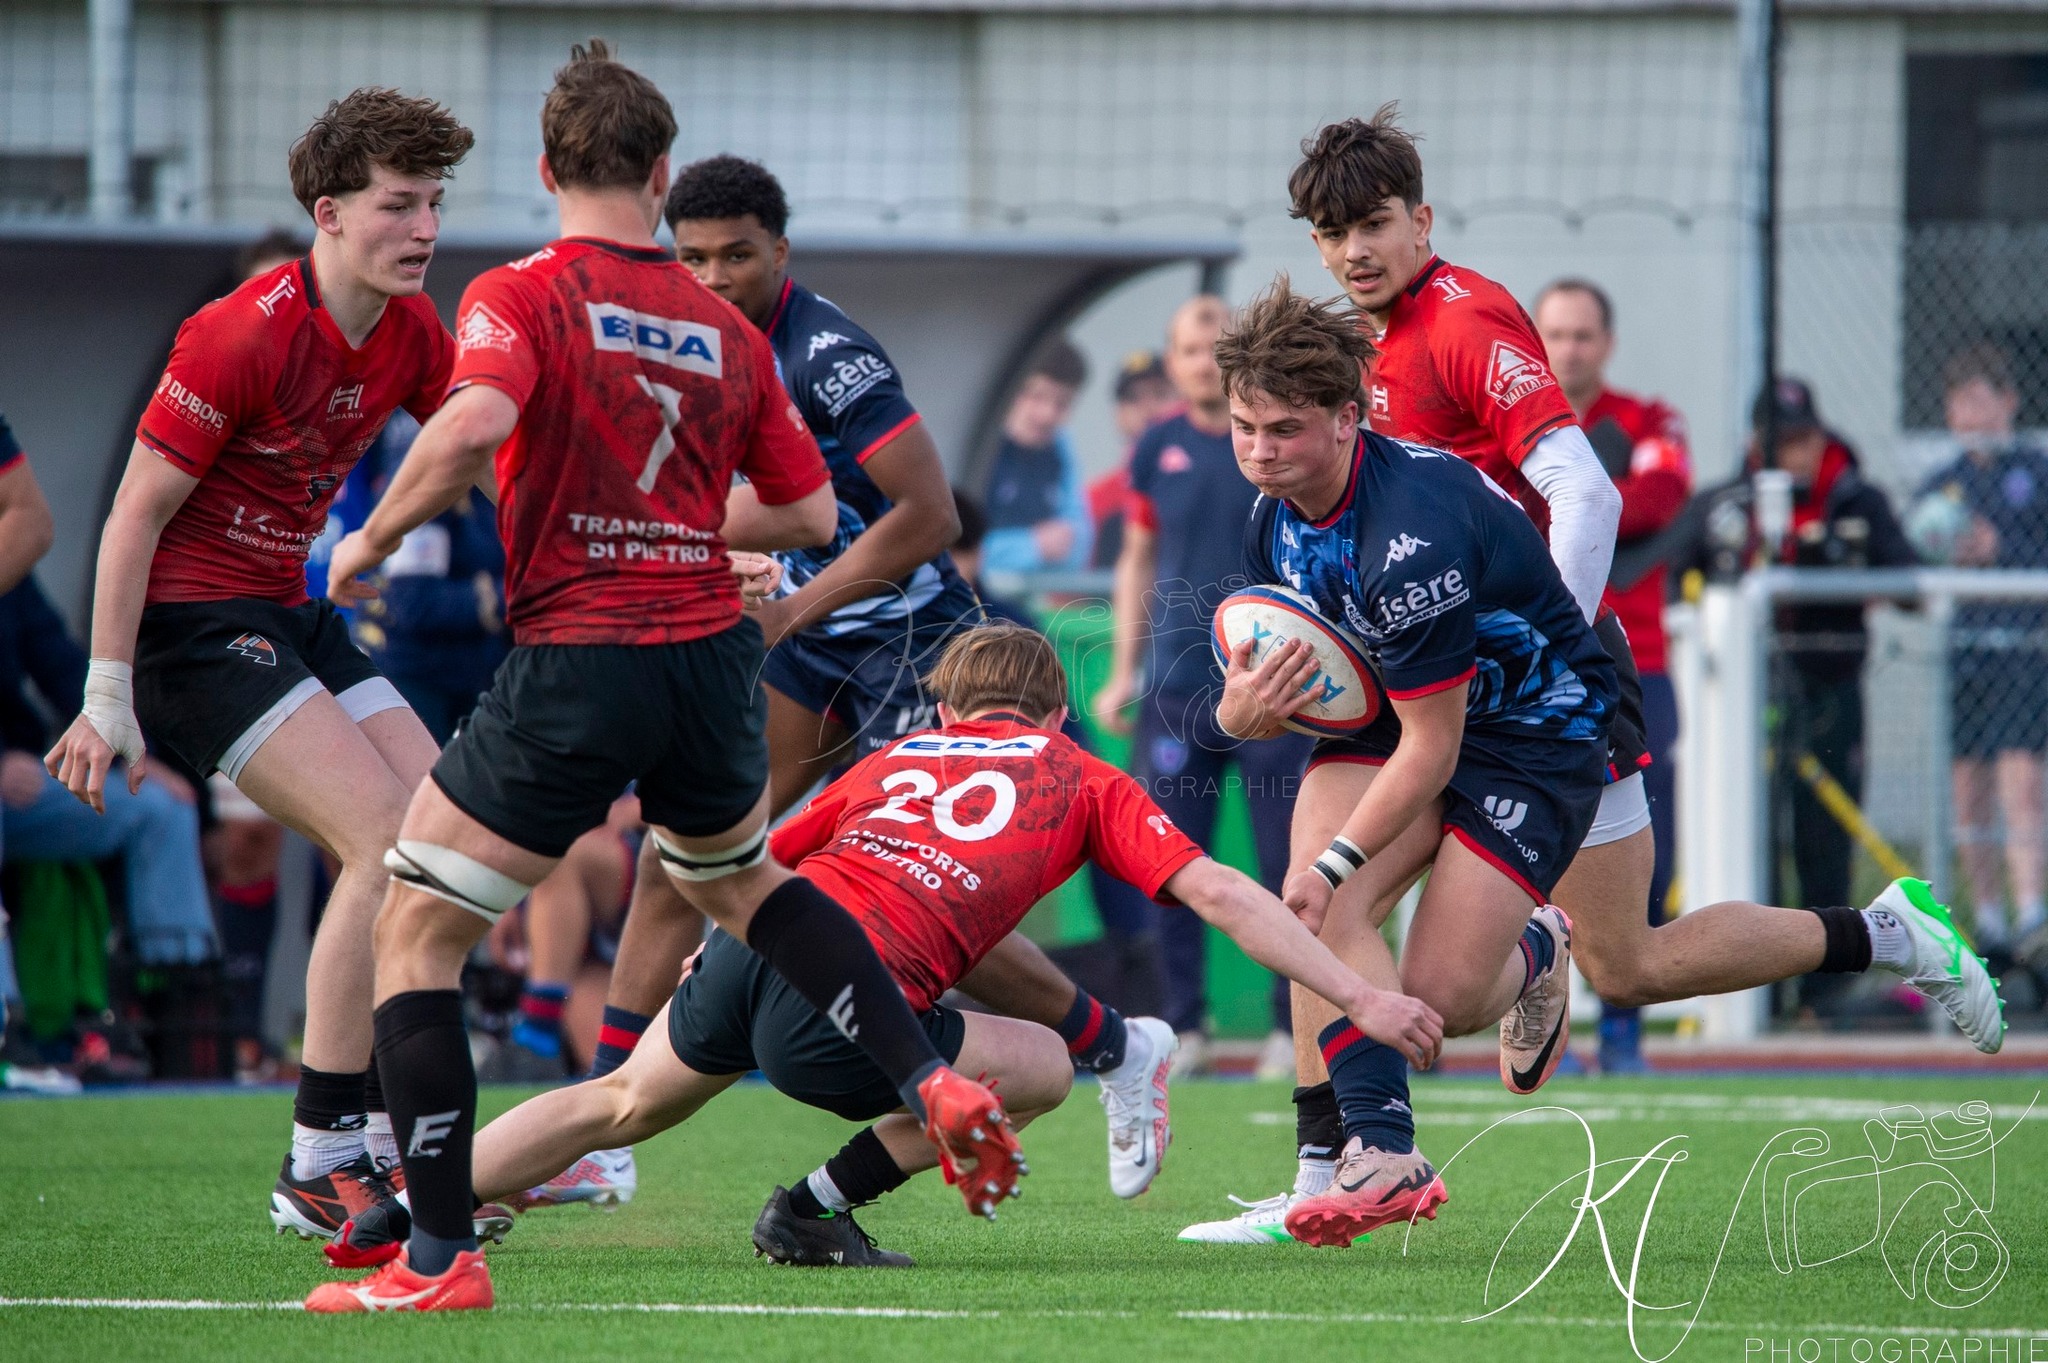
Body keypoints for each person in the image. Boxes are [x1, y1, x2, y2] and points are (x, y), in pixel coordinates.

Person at [1180, 117, 2007, 1245]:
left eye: (1374, 225)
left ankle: (1886, 934)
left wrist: (1530, 651)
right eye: (1331, 232)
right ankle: (1332, 1163)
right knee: (1319, 898)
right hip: (1419, 682)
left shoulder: (1460, 321)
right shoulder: (1344, 355)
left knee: (1630, 964)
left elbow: (1587, 492)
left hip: (1531, 688)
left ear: (1421, 220)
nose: (1354, 250)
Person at [307, 42, 1021, 1313]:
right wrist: (684, 525)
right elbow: (808, 510)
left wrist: (366, 540)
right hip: (712, 662)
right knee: (741, 882)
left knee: (414, 927)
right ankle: (928, 1080)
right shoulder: (724, 328)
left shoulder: (521, 293)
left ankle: (432, 1256)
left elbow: (470, 425)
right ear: (661, 173)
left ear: (544, 170)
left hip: (583, 655)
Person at [546, 154, 1161, 1212]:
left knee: (921, 890)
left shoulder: (827, 353)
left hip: (907, 639)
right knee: (680, 856)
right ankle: (604, 1135)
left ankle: (1115, 1049)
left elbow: (929, 516)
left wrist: (786, 603)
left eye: (736, 254)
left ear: (778, 252)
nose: (712, 276)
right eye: (690, 257)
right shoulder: (683, 347)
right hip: (802, 635)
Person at [449, 625, 1441, 1268]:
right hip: (850, 1003)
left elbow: (737, 863)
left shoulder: (892, 755)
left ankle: (420, 1209)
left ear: (942, 712)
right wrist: (1359, 997)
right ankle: (809, 1207)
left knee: (612, 1103)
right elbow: (1221, 891)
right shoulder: (1075, 772)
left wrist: (708, 948)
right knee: (1047, 1067)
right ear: (1055, 715)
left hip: (750, 957)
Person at [42, 90, 473, 1238]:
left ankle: (383, 1144)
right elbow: (132, 516)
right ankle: (319, 1154)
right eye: (398, 204)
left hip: (293, 612)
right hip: (193, 632)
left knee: (444, 844)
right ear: (328, 214)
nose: (424, 226)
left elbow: (486, 447)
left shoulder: (415, 333)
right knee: (382, 844)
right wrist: (106, 694)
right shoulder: (240, 330)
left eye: (434, 201)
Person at [1093, 295, 1312, 1075]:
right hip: (1179, 686)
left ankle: (1295, 1028)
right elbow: (1136, 559)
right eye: (1188, 346)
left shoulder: (1275, 435)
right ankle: (1184, 1027)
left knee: (1288, 860)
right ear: (1172, 356)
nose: (1200, 358)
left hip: (1279, 683)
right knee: (1171, 860)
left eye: (1214, 344)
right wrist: (1126, 668)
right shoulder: (1156, 447)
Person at [1679, 381, 1920, 932]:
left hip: (1830, 689)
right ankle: (1758, 972)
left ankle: (1824, 983)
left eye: (1805, 439)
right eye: (1783, 442)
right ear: (1756, 445)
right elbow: (1673, 570)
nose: (1798, 455)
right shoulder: (1726, 505)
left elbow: (1911, 585)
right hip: (1750, 698)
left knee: (1826, 835)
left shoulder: (1858, 498)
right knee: (1751, 829)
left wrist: (1842, 560)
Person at [1534, 277, 1693, 1073]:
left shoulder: (1647, 420)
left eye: (1583, 334)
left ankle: (1624, 1027)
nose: (1568, 349)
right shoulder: (1516, 422)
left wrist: (1574, 498)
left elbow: (1663, 497)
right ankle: (1548, 1019)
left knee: (1640, 847)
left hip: (1640, 666)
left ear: (1608, 342)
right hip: (1537, 665)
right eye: (1554, 333)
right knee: (1531, 842)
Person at [1906, 344, 2048, 968]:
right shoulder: (1941, 484)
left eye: (1979, 397)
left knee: (2022, 782)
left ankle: (2031, 913)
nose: (1968, 411)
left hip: (2023, 650)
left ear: (2008, 401)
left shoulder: (2035, 472)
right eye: (1957, 400)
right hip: (1965, 654)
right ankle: (1985, 919)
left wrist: (2001, 548)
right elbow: (1914, 550)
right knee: (1969, 788)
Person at [980, 341, 1093, 573]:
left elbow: (1079, 541)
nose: (1047, 415)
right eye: (1036, 396)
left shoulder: (1060, 447)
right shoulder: (975, 447)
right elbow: (951, 550)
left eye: (1062, 403)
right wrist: (1032, 546)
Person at [1088, 351, 1177, 570]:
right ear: (1118, 413)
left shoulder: (1205, 480)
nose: (1148, 407)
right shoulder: (1095, 499)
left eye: (1160, 393)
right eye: (1133, 398)